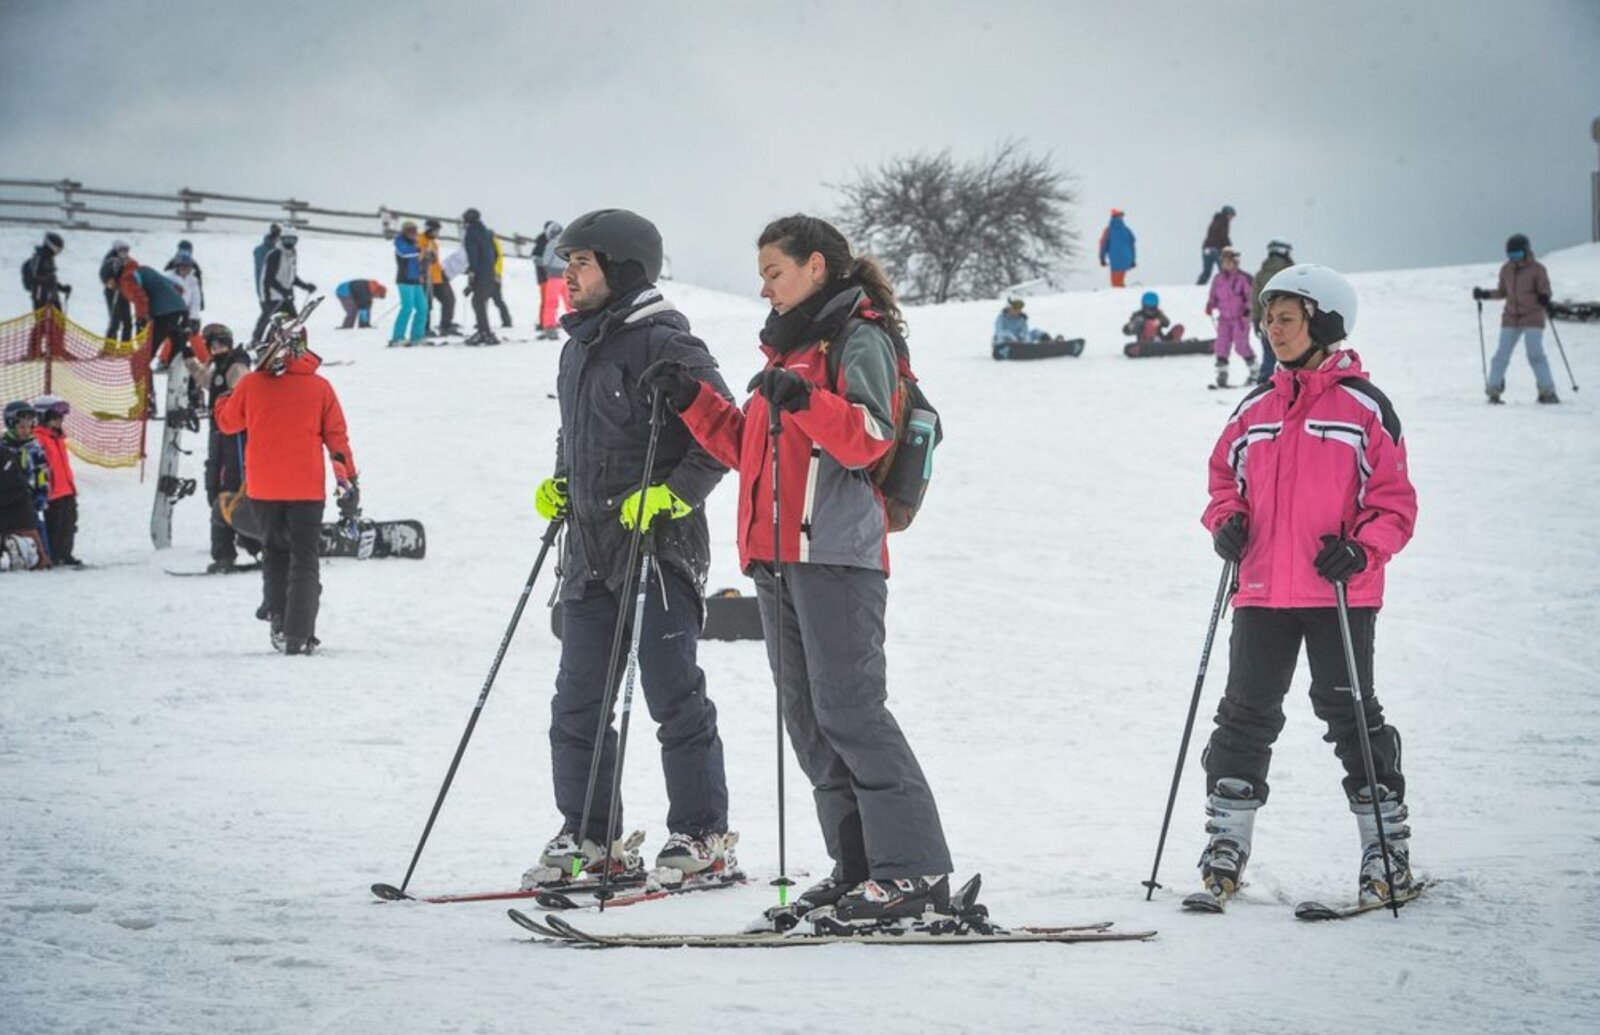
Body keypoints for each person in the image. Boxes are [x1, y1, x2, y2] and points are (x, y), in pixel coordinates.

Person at [646, 213, 955, 923]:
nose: (764, 288)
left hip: (837, 554)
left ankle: (914, 872)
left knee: (852, 709)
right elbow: (746, 449)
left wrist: (806, 399)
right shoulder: (788, 353)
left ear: (816, 266)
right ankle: (858, 868)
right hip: (776, 558)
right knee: (811, 719)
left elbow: (869, 438)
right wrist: (693, 399)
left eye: (774, 272)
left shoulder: (860, 338)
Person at [1198, 264, 1418, 909]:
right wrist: (1226, 523)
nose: (1272, 329)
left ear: (1322, 321)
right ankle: (1225, 842)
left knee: (1349, 715)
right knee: (1244, 716)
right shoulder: (1254, 408)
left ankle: (1387, 848)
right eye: (1268, 318)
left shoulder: (1364, 409)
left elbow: (1395, 503)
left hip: (1339, 593)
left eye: (1286, 318)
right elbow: (1222, 483)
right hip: (1263, 588)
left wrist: (1362, 548)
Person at [526, 207, 735, 886]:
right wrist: (563, 483)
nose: (568, 277)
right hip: (589, 554)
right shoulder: (576, 347)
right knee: (577, 703)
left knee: (673, 695)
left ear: (621, 268)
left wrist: (674, 494)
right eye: (567, 264)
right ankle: (591, 837)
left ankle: (702, 836)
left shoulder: (667, 343)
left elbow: (723, 436)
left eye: (580, 263)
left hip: (659, 551)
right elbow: (576, 434)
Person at [214, 317, 357, 655]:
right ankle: (300, 634)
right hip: (306, 490)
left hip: (264, 488)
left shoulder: (251, 385)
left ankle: (278, 619)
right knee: (305, 560)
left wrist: (225, 398)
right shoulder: (320, 388)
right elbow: (337, 440)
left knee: (275, 553)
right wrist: (347, 481)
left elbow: (227, 423)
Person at [198, 324, 261, 573]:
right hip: (220, 432)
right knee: (214, 484)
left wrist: (234, 414)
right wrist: (190, 360)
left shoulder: (236, 366)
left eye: (219, 342)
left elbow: (246, 394)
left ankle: (245, 546)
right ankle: (231, 544)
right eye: (212, 344)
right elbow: (207, 382)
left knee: (232, 487)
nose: (216, 348)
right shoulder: (220, 365)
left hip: (235, 435)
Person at [1474, 233, 1558, 404]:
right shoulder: (1506, 269)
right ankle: (1493, 389)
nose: (1514, 259)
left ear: (1526, 252)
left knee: (1535, 354)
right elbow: (1502, 292)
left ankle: (1547, 391)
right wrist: (1485, 294)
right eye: (1511, 255)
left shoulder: (1537, 269)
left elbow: (1545, 289)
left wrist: (1544, 297)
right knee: (1500, 356)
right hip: (1511, 317)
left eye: (1518, 254)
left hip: (1533, 316)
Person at [114, 256, 194, 386]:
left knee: (142, 359)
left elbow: (140, 298)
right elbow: (178, 288)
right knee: (178, 357)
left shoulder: (126, 278)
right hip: (181, 311)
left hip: (164, 315)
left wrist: (141, 320)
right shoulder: (144, 270)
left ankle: (147, 400)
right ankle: (188, 394)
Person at [30, 395, 81, 567]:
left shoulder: (58, 438)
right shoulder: (39, 438)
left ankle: (66, 553)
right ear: (43, 417)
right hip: (52, 491)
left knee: (70, 522)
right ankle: (53, 553)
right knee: (55, 523)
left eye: (60, 418)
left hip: (66, 488)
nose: (59, 421)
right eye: (55, 418)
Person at [0, 400, 51, 570]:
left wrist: (42, 493)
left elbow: (42, 472)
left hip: (27, 497)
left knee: (35, 525)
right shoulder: (3, 447)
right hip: (6, 496)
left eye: (29, 426)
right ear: (11, 425)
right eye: (22, 426)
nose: (26, 430)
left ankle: (42, 556)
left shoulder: (34, 447)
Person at [1205, 247, 1258, 386]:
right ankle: (1222, 374)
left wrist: (1248, 310)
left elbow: (1250, 296)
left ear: (1235, 262)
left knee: (1241, 346)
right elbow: (1213, 296)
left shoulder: (1243, 278)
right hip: (1224, 319)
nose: (1226, 264)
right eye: (1224, 261)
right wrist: (1210, 305)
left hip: (1240, 318)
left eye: (1229, 261)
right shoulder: (1218, 279)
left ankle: (1255, 372)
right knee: (1221, 345)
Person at [255, 232, 315, 342]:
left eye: (292, 240)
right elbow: (269, 278)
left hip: (285, 294)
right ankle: (257, 341)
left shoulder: (292, 254)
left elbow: (291, 276)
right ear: (282, 239)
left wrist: (305, 286)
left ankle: (291, 344)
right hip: (271, 294)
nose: (290, 243)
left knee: (294, 321)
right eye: (287, 239)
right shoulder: (275, 254)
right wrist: (283, 291)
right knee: (268, 319)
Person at [1250, 240, 1294, 382]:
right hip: (1289, 321)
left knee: (1269, 353)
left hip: (1267, 321)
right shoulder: (1292, 271)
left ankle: (1264, 380)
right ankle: (1291, 381)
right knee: (1290, 352)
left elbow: (1255, 299)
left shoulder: (1261, 274)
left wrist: (1256, 320)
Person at [22, 232, 70, 359]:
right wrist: (47, 280)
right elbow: (36, 275)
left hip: (51, 296)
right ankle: (34, 352)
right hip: (41, 297)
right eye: (58, 247)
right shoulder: (40, 257)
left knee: (58, 322)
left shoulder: (48, 258)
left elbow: (51, 279)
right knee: (42, 324)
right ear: (52, 245)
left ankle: (56, 349)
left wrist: (61, 288)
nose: (59, 250)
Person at [460, 208, 500, 345]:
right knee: (480, 301)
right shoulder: (486, 232)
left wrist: (472, 270)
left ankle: (484, 332)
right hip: (489, 270)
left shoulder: (471, 233)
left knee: (477, 301)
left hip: (480, 271)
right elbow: (495, 254)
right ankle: (485, 331)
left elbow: (473, 254)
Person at [418, 218, 461, 336]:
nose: (438, 234)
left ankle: (445, 326)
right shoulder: (420, 240)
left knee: (449, 300)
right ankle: (424, 329)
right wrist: (424, 255)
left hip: (438, 277)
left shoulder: (434, 243)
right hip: (426, 277)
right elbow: (417, 258)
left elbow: (435, 261)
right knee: (427, 304)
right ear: (429, 230)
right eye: (436, 231)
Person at [391, 220, 428, 346]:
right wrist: (419, 251)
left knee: (422, 308)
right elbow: (404, 253)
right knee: (407, 307)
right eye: (410, 231)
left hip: (416, 280)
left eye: (415, 231)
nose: (413, 233)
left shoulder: (415, 244)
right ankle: (397, 337)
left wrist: (426, 260)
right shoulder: (399, 242)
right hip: (404, 280)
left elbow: (419, 261)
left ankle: (417, 337)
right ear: (405, 232)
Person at [533, 219, 570, 339]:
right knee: (570, 303)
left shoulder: (551, 244)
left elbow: (545, 261)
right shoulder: (567, 243)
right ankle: (579, 324)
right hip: (567, 276)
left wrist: (537, 260)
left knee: (551, 303)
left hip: (554, 277)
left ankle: (550, 329)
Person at [251, 224, 283, 341]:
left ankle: (269, 339)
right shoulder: (267, 252)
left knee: (272, 315)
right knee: (268, 314)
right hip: (266, 288)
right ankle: (257, 339)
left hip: (272, 288)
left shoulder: (263, 250)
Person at [100, 240, 134, 343]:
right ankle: (109, 346)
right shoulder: (111, 260)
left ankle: (125, 344)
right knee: (115, 320)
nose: (124, 252)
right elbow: (104, 274)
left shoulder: (127, 261)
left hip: (124, 292)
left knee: (127, 320)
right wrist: (109, 281)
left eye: (126, 250)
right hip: (113, 293)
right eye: (121, 250)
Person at [1122, 291, 1187, 344]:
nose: (1150, 305)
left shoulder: (1158, 314)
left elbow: (1167, 323)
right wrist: (1130, 327)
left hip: (1161, 339)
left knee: (1179, 327)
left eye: (1152, 303)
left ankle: (1175, 343)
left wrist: (1160, 321)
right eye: (1148, 302)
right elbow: (1129, 329)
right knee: (1149, 324)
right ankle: (1153, 341)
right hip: (1145, 341)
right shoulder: (1139, 316)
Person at [1197, 205, 1237, 285]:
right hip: (1215, 249)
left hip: (1206, 249)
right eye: (1231, 215)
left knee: (1206, 271)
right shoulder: (1224, 221)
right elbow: (1223, 236)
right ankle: (1227, 287)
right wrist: (1229, 246)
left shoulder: (1215, 221)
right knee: (1224, 269)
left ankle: (1198, 287)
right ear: (1227, 214)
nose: (1232, 218)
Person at [1098, 209, 1136, 288]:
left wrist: (1102, 259)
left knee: (1116, 284)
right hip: (1126, 258)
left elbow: (1103, 245)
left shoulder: (1108, 230)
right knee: (1120, 281)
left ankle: (1120, 297)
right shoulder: (1127, 230)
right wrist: (1132, 260)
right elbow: (1132, 246)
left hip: (1115, 259)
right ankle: (1122, 295)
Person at [165, 252, 205, 324]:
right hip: (170, 313)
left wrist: (194, 317)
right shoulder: (169, 278)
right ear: (178, 266)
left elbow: (196, 300)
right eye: (183, 266)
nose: (185, 269)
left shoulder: (193, 280)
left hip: (185, 313)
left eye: (187, 266)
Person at [490, 233, 514, 328]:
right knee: (497, 299)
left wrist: (495, 273)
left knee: (495, 299)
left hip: (493, 274)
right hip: (497, 273)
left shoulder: (492, 242)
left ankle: (507, 320)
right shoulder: (497, 242)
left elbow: (494, 258)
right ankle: (507, 320)